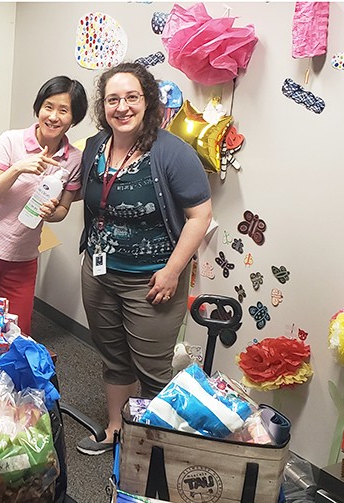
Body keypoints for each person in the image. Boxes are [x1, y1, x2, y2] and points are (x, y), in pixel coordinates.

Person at [75, 62, 212, 455]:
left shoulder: (173, 153)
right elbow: (89, 199)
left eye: (131, 97)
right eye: (113, 99)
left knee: (152, 371)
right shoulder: (95, 147)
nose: (122, 107)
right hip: (99, 273)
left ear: (148, 101)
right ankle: (116, 428)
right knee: (113, 356)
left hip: (153, 280)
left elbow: (199, 216)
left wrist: (173, 271)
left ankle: (152, 446)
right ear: (104, 106)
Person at [0, 76, 88, 336]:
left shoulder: (74, 160)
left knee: (16, 335)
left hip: (23, 258)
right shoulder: (11, 141)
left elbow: (62, 211)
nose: (54, 116)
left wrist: (51, 212)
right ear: (38, 108)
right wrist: (18, 168)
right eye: (48, 106)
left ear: (73, 118)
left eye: (63, 110)